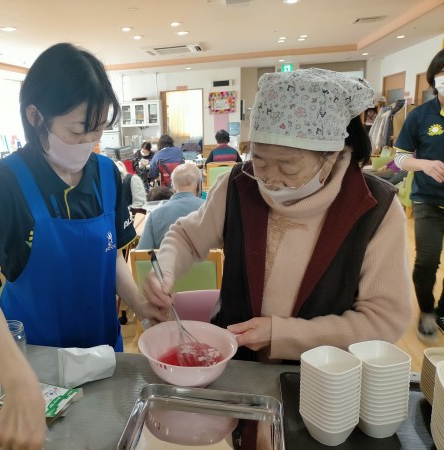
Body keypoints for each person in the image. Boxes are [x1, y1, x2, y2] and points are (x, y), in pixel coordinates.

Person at [0, 43, 167, 450]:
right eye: (77, 130)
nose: (89, 142)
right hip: (35, 367)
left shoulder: (107, 173)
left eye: (98, 129)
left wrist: (142, 305)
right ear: (36, 116)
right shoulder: (2, 183)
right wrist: (16, 379)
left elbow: (110, 254)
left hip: (104, 357)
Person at [143, 68, 411, 363]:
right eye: (259, 160)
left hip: (324, 374)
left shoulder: (373, 207)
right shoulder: (239, 184)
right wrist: (165, 270)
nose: (269, 179)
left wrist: (282, 334)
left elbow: (383, 320)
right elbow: (187, 237)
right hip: (235, 366)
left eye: (288, 167)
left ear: (332, 154)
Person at [394, 49, 444, 341]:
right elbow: (398, 158)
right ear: (434, 79)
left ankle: (443, 310)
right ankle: (426, 310)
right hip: (427, 200)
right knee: (426, 261)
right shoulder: (420, 116)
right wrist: (423, 164)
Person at [137, 163, 205, 249]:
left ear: (173, 186)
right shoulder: (212, 209)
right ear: (199, 184)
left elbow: (142, 253)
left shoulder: (154, 215)